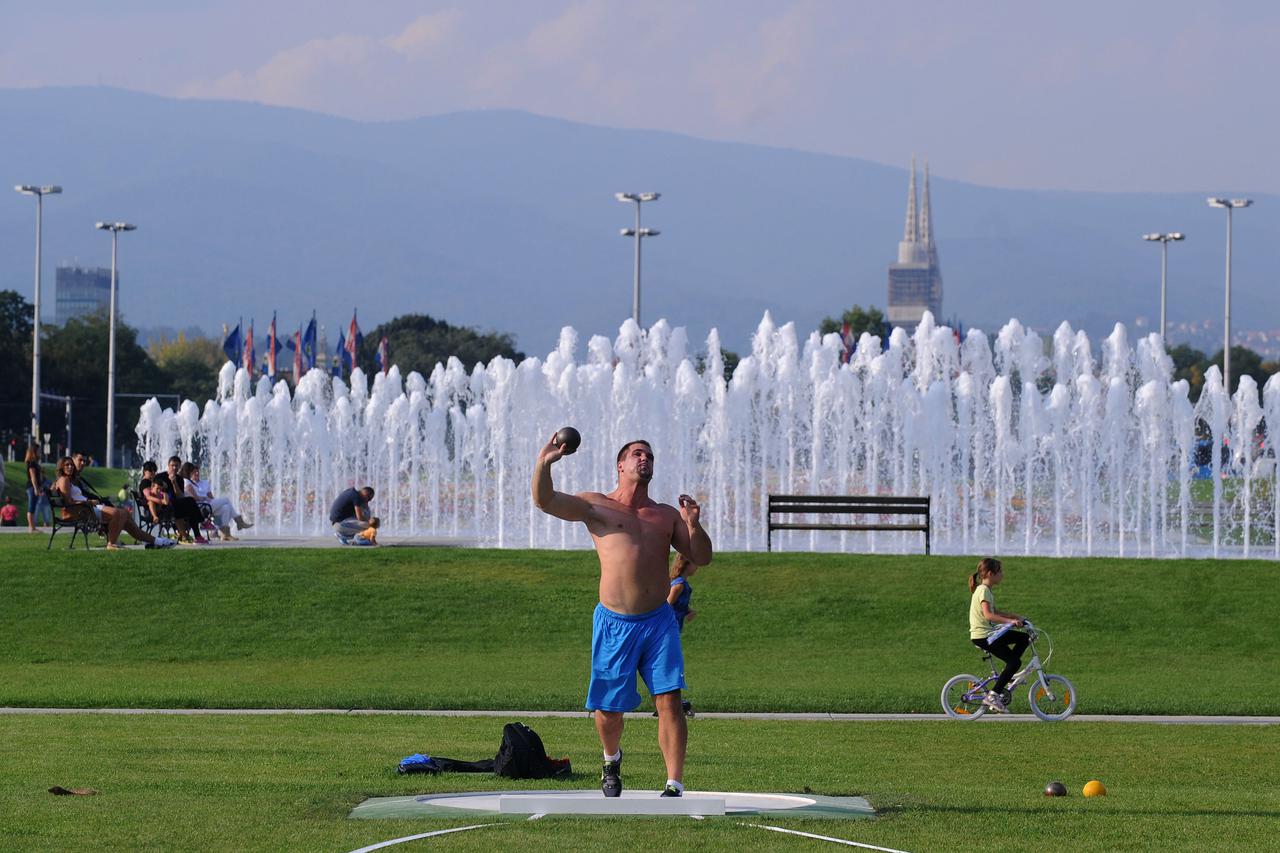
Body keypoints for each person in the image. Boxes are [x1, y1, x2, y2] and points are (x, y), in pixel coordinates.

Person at [533, 435, 712, 799]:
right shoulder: (596, 506)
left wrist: (693, 523)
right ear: (621, 465)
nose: (644, 459)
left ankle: (674, 784)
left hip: (659, 622)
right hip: (615, 623)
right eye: (637, 454)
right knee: (609, 712)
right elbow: (545, 500)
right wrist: (544, 463)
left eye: (649, 455)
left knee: (670, 699)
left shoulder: (665, 515)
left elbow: (703, 556)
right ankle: (611, 759)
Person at [54, 457, 176, 550]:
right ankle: (111, 543)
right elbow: (69, 502)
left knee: (125, 515)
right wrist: (89, 501)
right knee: (118, 513)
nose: (70, 467)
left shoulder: (68, 480)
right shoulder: (64, 480)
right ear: (61, 467)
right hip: (82, 510)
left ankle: (157, 542)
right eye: (67, 465)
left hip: (86, 508)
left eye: (71, 465)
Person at [968, 557, 1029, 713]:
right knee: (1014, 662)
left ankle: (1009, 672)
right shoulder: (983, 590)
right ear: (990, 573)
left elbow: (994, 612)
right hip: (983, 635)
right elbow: (989, 616)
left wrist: (1013, 617)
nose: (1002, 574)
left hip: (987, 634)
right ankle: (993, 695)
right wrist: (1010, 622)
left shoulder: (985, 590)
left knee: (1024, 638)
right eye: (1000, 571)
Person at [181, 462, 252, 541]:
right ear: (189, 472)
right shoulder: (187, 482)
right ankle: (239, 522)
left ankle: (225, 534)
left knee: (226, 507)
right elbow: (195, 498)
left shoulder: (196, 483)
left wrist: (210, 500)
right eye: (193, 471)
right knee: (226, 500)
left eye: (197, 471)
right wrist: (205, 498)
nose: (196, 473)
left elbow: (210, 497)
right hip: (201, 507)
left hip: (205, 505)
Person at [666, 554, 698, 718]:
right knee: (672, 663)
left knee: (673, 662)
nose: (697, 567)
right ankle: (668, 701)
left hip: (674, 629)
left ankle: (671, 700)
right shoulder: (678, 585)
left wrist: (688, 611)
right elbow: (667, 605)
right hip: (669, 630)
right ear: (686, 564)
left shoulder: (683, 584)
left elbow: (679, 605)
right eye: (694, 563)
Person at [146, 471, 208, 544]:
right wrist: (161, 501)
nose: (159, 491)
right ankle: (201, 525)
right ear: (152, 486)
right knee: (191, 502)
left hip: (172, 509)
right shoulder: (150, 494)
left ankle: (196, 535)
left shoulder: (164, 491)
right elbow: (164, 502)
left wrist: (166, 490)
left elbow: (173, 498)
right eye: (157, 489)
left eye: (160, 489)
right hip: (167, 511)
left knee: (191, 506)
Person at [25, 444, 52, 532]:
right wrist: (36, 488)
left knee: (33, 506)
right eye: (38, 451)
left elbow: (38, 476)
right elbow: (33, 477)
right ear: (34, 452)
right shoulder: (31, 463)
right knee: (31, 507)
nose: (40, 452)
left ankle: (33, 527)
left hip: (35, 487)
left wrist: (39, 487)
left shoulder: (35, 463)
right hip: (31, 487)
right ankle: (31, 528)